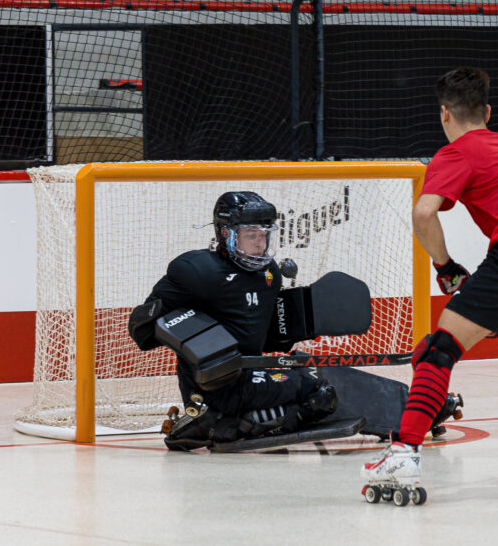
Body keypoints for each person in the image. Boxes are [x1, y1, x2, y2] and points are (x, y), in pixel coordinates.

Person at [360, 67, 498, 498]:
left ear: (445, 114)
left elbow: (424, 214)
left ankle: (404, 453)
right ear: (487, 110)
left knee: (438, 348)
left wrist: (446, 267)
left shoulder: (456, 152)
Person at [131, 191, 458, 451]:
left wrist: (298, 323)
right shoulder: (195, 270)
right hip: (215, 385)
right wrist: (200, 342)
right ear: (226, 234)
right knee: (317, 392)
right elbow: (143, 325)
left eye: (265, 235)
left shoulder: (270, 274)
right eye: (251, 236)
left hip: (252, 373)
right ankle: (220, 423)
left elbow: (262, 331)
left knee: (313, 375)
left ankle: (422, 406)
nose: (260, 244)